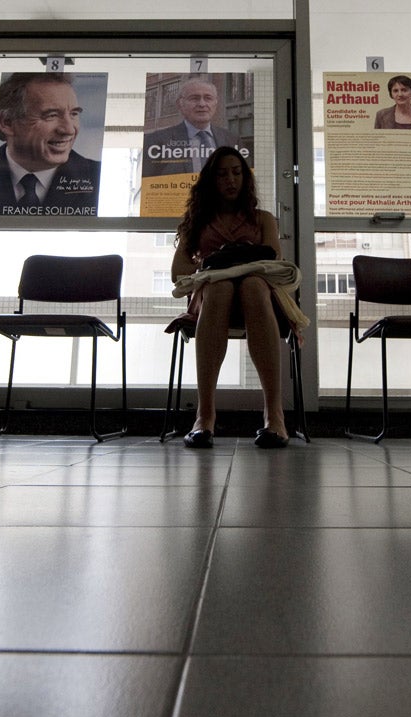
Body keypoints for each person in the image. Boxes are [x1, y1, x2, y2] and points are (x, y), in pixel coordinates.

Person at [170, 146, 290, 449]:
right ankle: (204, 416)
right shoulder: (198, 220)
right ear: (211, 180)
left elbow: (276, 264)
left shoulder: (264, 219)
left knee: (252, 284)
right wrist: (214, 265)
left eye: (237, 173)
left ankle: (274, 417)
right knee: (220, 287)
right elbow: (178, 271)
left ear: (245, 179)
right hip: (211, 298)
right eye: (222, 174)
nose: (230, 180)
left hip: (258, 298)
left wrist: (238, 264)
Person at [0, 72, 100, 216]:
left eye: (74, 114)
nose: (69, 129)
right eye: (51, 115)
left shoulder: (102, 179)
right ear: (7, 122)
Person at [143, 77, 243, 177]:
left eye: (208, 98)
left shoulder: (233, 140)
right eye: (194, 98)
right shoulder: (155, 141)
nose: (202, 104)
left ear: (215, 104)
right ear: (180, 104)